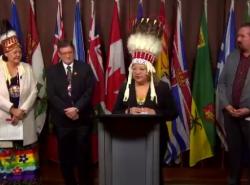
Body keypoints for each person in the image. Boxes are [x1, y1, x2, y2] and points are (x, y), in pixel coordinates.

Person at [112, 18, 178, 185]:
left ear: (149, 70)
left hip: (156, 137)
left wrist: (155, 113)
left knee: (154, 173)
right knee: (134, 172)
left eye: (141, 69)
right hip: (131, 137)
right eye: (134, 68)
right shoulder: (125, 87)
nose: (137, 72)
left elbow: (173, 113)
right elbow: (115, 111)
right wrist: (128, 111)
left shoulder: (162, 87)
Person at [46, 40, 95, 185]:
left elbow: (89, 91)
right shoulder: (51, 71)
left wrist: (77, 108)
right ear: (59, 55)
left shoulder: (85, 68)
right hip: (62, 121)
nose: (68, 56)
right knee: (65, 157)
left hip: (82, 120)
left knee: (83, 156)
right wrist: (66, 111)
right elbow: (51, 95)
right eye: (64, 53)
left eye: (70, 52)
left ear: (73, 52)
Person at [0, 25, 40, 184]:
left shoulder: (27, 68)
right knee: (6, 164)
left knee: (27, 167)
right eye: (14, 52)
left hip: (24, 120)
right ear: (5, 53)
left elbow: (34, 91)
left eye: (19, 51)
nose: (18, 54)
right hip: (4, 123)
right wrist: (11, 109)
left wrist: (21, 111)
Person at [218, 23, 250, 185]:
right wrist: (226, 105)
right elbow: (221, 84)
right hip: (231, 116)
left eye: (243, 36)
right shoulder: (232, 56)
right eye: (237, 36)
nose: (238, 39)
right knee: (234, 156)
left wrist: (249, 110)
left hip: (249, 117)